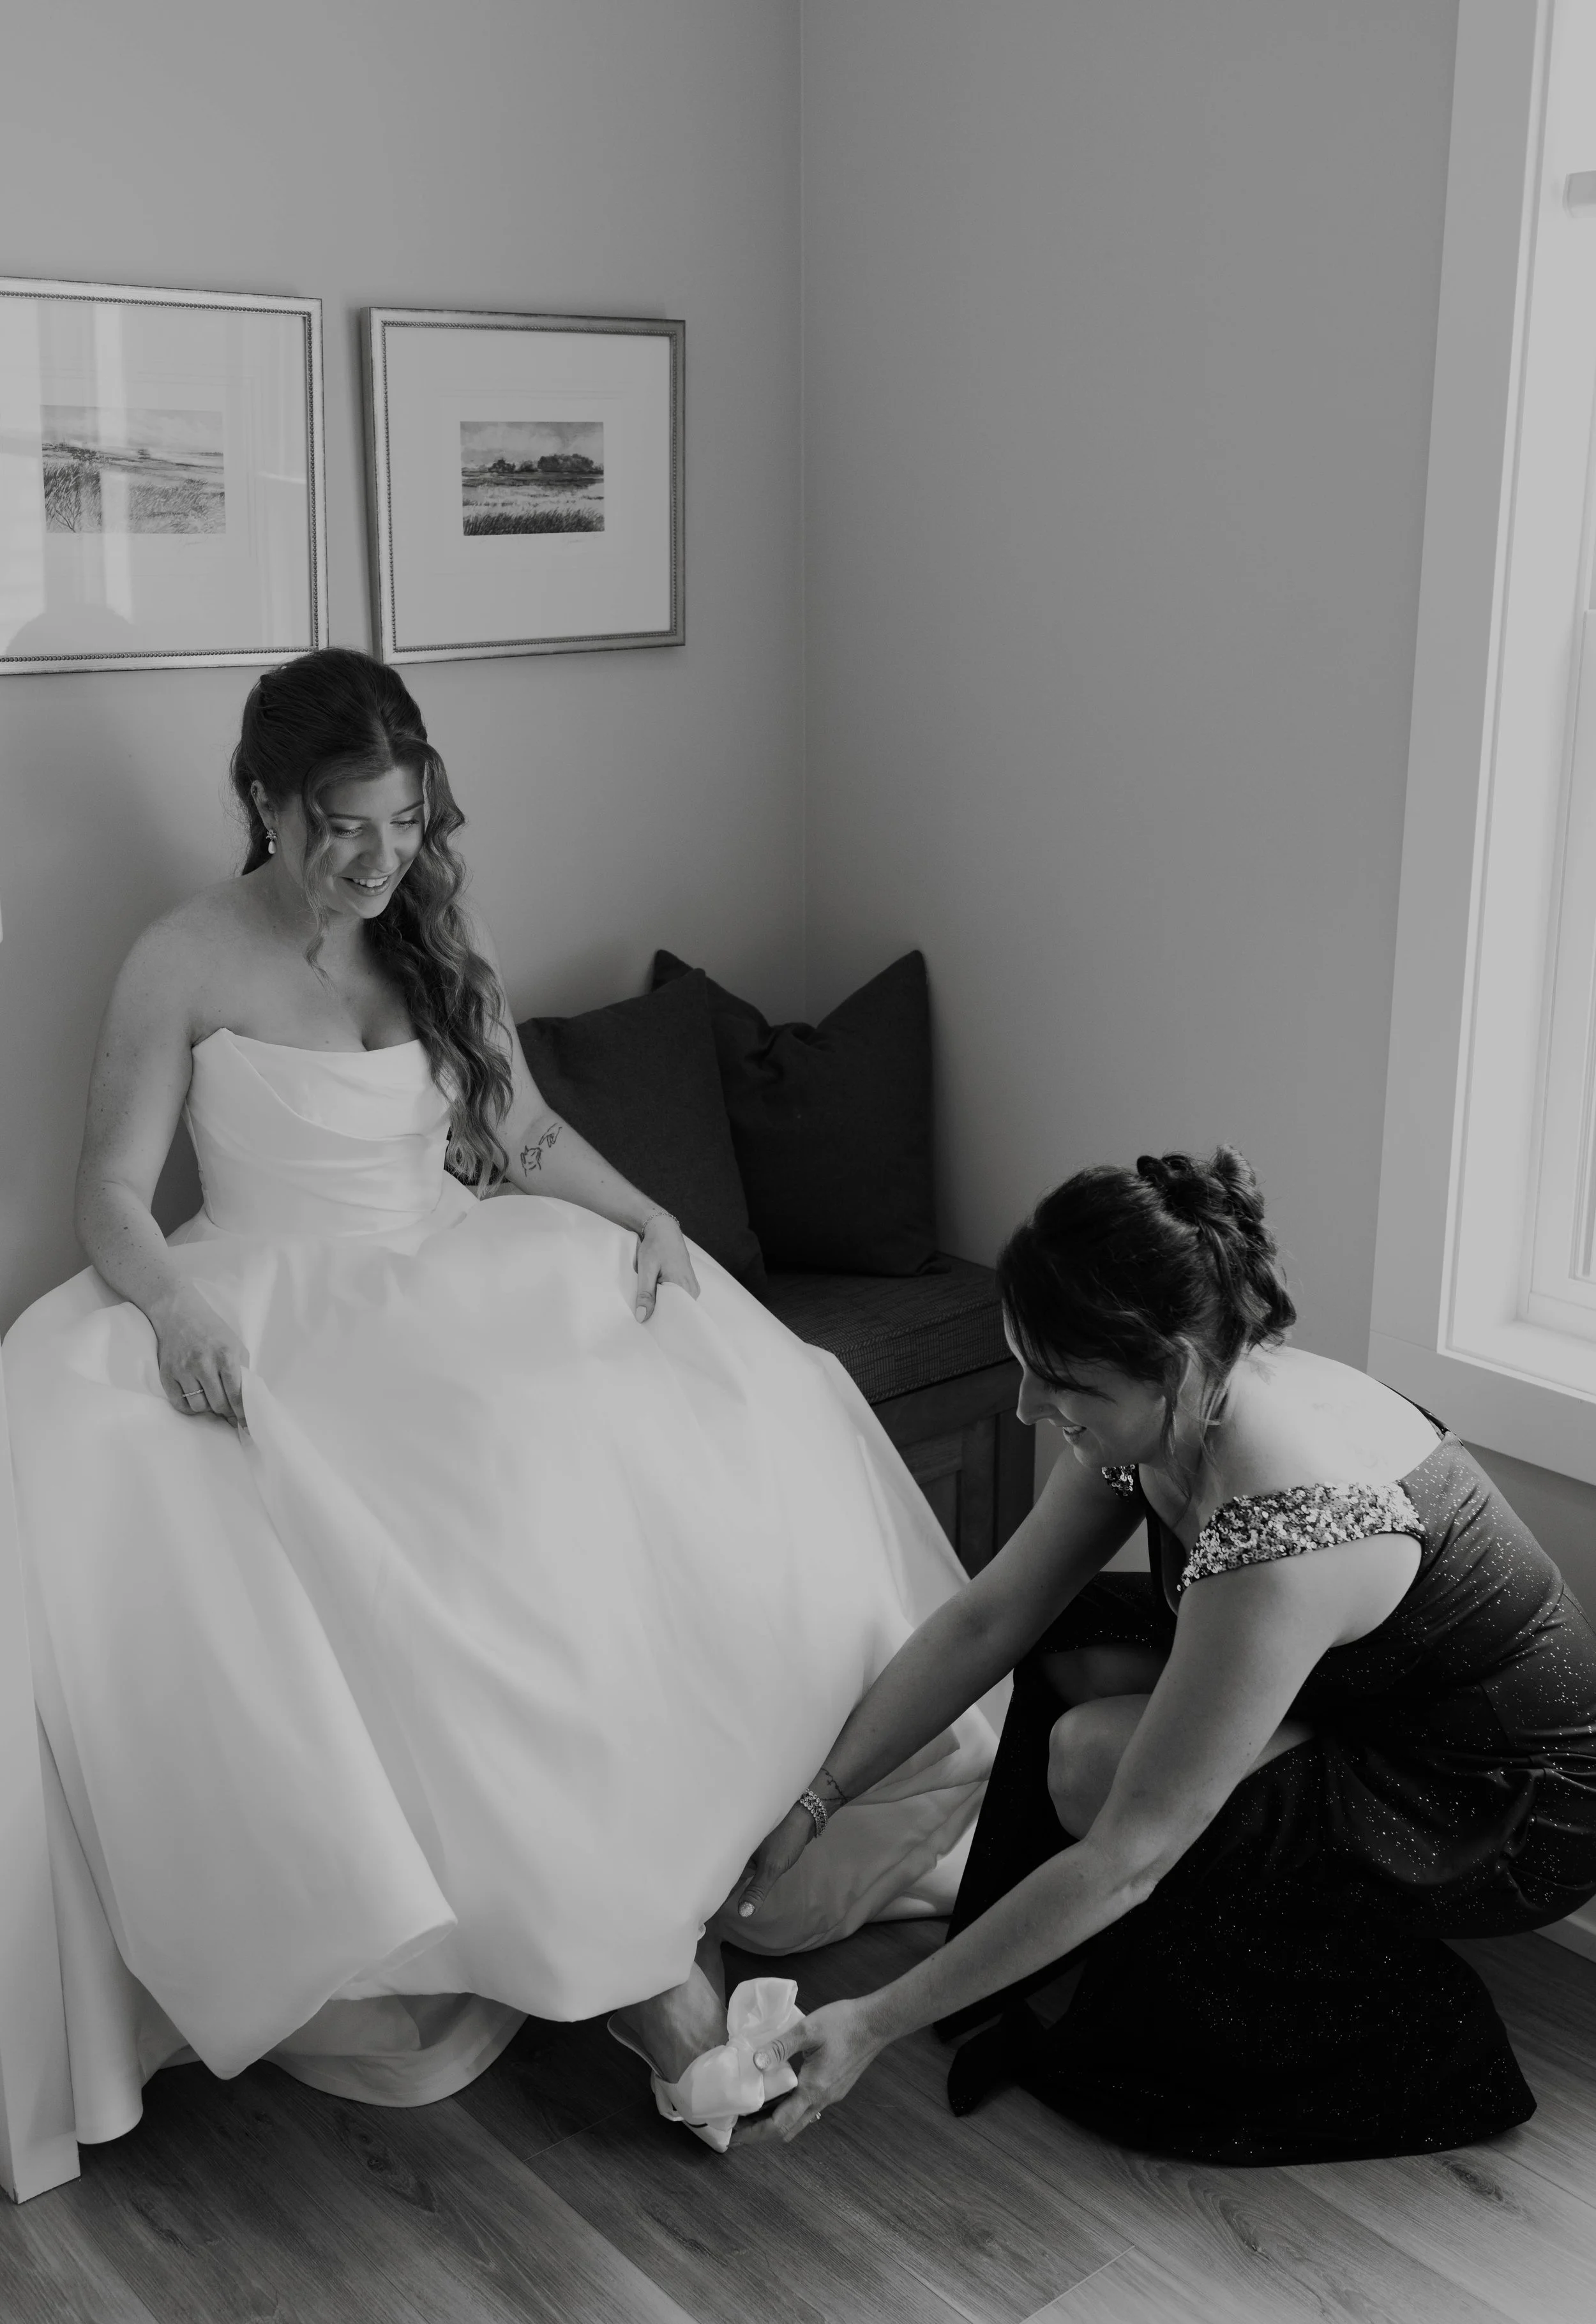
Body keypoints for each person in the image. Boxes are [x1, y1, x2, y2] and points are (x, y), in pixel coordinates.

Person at [3, 647, 992, 2143]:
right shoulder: (182, 956)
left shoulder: (426, 932)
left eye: (404, 824)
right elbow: (112, 1197)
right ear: (263, 803)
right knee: (454, 1542)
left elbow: (515, 1136)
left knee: (675, 1437)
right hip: (279, 1295)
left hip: (458, 1268)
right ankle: (642, 1977)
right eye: (343, 823)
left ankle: (691, 1886)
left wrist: (645, 1214)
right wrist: (175, 1306)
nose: (377, 857)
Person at [732, 1150, 1596, 2164]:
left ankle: (1363, 1994)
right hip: (1378, 1690)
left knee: (1094, 1766)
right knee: (1073, 1643)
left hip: (1505, 1799)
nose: (1026, 1411)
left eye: (1060, 1385)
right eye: (1025, 1363)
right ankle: (1070, 1929)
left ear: (1174, 1372)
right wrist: (813, 1804)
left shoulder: (1280, 1524)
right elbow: (990, 1617)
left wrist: (873, 2023)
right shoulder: (1169, 1398)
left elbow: (1126, 1859)